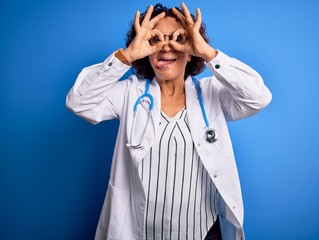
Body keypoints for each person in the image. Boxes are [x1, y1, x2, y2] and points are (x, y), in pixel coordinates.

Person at [66, 3, 272, 240]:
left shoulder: (211, 94)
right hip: (139, 233)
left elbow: (258, 97)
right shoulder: (129, 94)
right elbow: (79, 102)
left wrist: (207, 52)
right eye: (155, 39)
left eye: (177, 38)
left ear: (191, 46)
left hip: (203, 233)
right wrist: (127, 55)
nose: (166, 46)